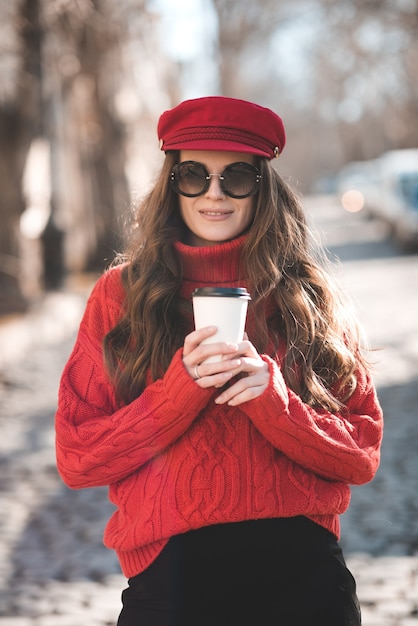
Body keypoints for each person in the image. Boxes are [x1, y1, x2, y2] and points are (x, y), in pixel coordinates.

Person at [55, 96, 383, 626]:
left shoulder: (308, 296)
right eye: (193, 175)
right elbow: (77, 456)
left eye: (235, 176)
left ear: (262, 186)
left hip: (304, 581)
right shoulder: (121, 296)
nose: (214, 193)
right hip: (172, 585)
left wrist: (273, 400)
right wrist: (180, 391)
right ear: (172, 183)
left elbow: (361, 453)